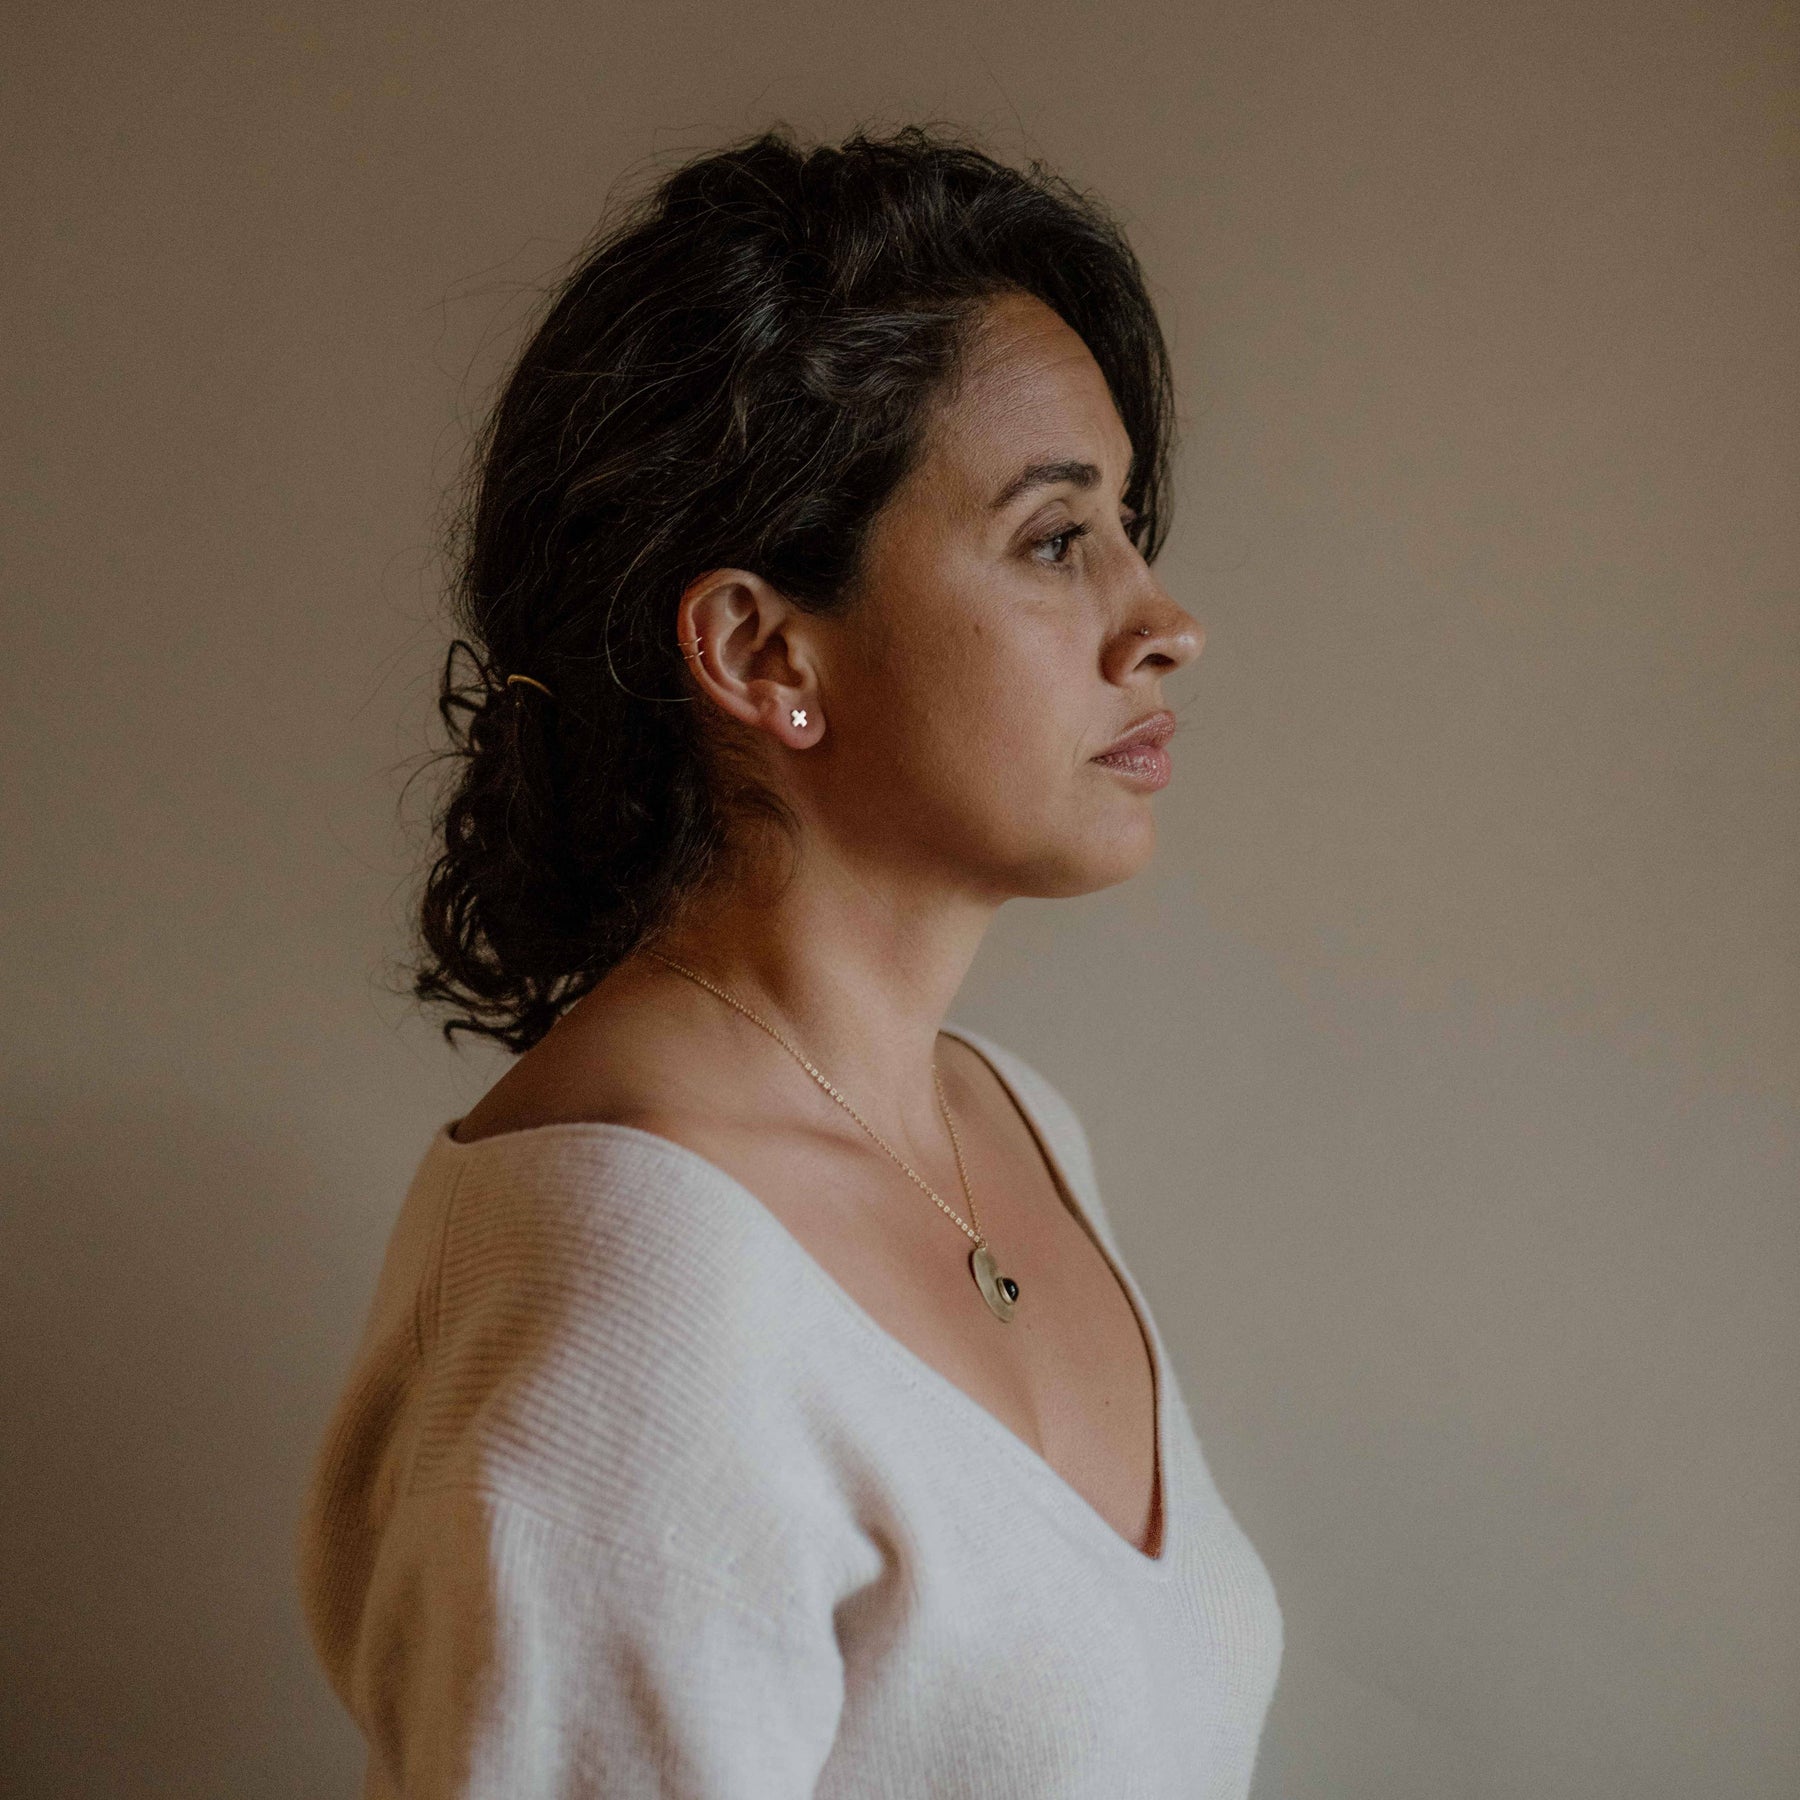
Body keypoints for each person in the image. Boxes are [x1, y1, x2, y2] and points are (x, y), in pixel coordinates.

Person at [298, 121, 1283, 1797]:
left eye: (1125, 523)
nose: (1164, 622)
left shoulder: (1010, 1122)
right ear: (763, 652)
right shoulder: (630, 1294)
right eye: (1057, 540)